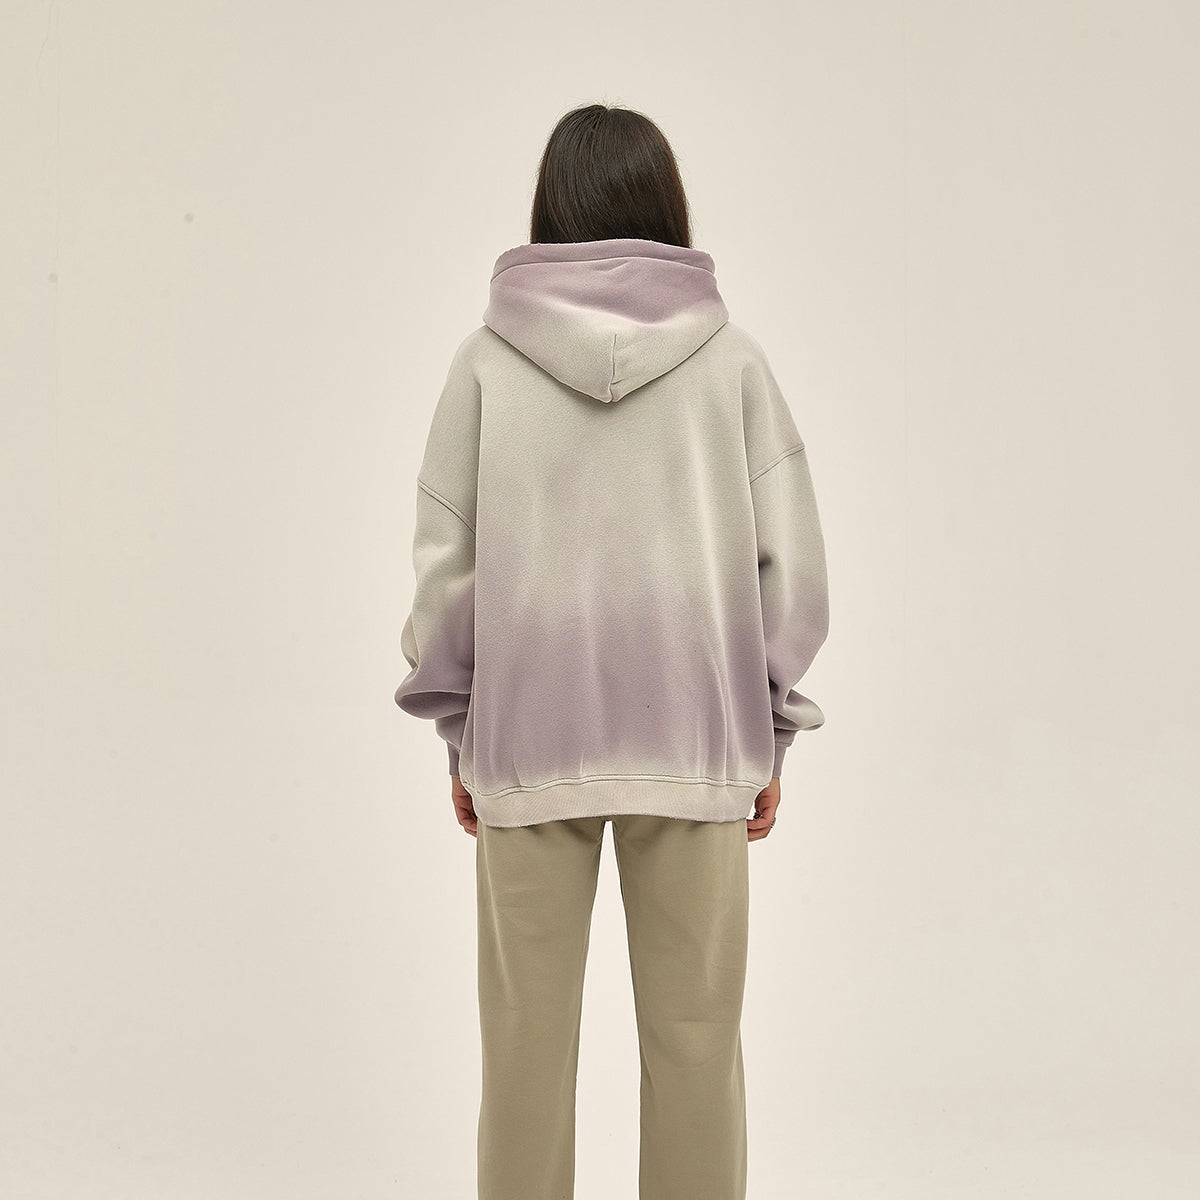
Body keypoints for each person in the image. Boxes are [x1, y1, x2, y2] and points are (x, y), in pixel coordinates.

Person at [394, 102, 829, 1200]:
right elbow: (790, 571)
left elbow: (447, 569)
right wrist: (770, 726)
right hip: (697, 744)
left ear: (550, 209)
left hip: (527, 749)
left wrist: (463, 730)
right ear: (666, 208)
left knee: (522, 1059)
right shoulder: (731, 363)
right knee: (697, 1050)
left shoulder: (485, 367)